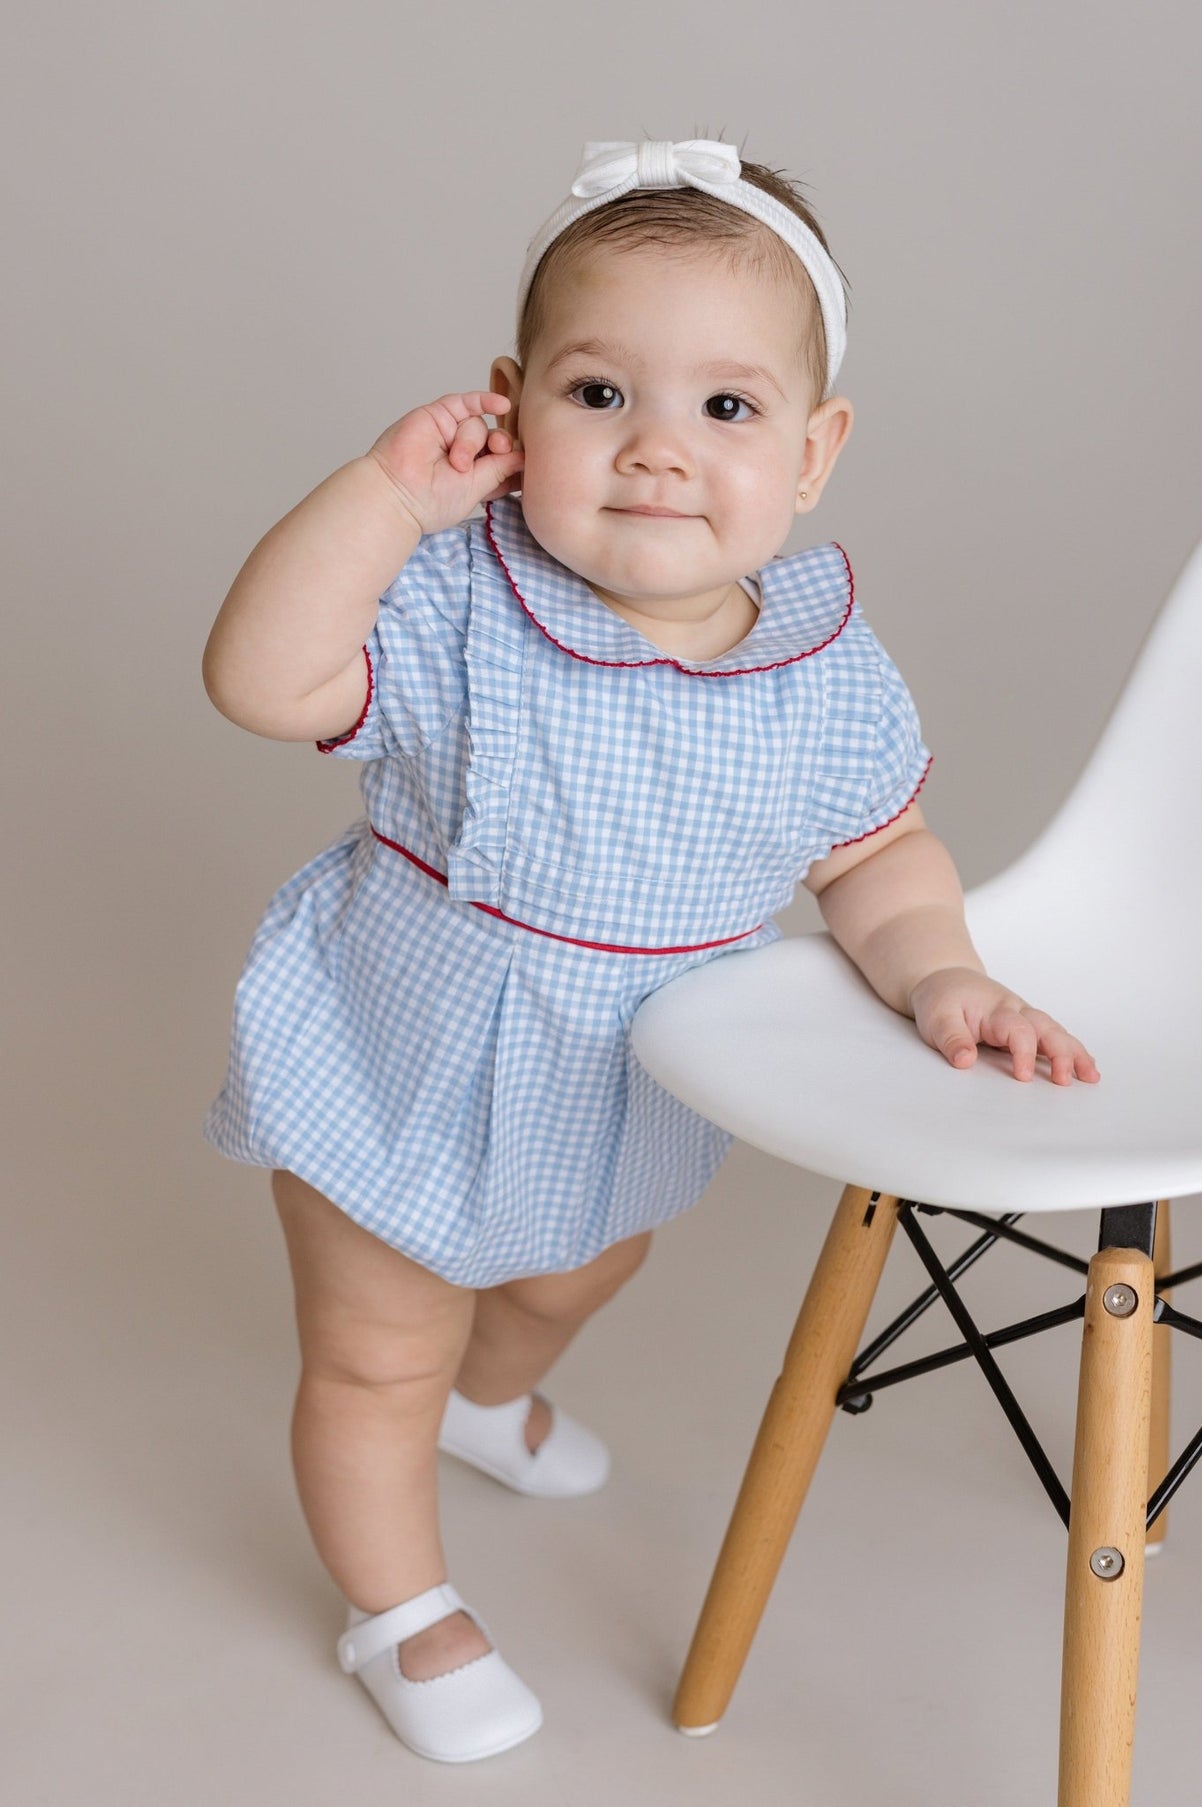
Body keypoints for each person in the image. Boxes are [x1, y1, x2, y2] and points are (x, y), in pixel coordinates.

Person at [200, 137, 1101, 1765]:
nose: (657, 454)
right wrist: (383, 499)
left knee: (572, 1273)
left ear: (814, 451)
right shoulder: (458, 602)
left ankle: (489, 1399)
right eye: (600, 395)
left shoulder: (820, 671)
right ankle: (402, 1609)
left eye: (728, 410)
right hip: (400, 1050)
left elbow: (876, 858)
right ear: (510, 407)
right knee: (375, 1347)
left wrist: (940, 971)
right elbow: (263, 682)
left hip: (624, 1079)